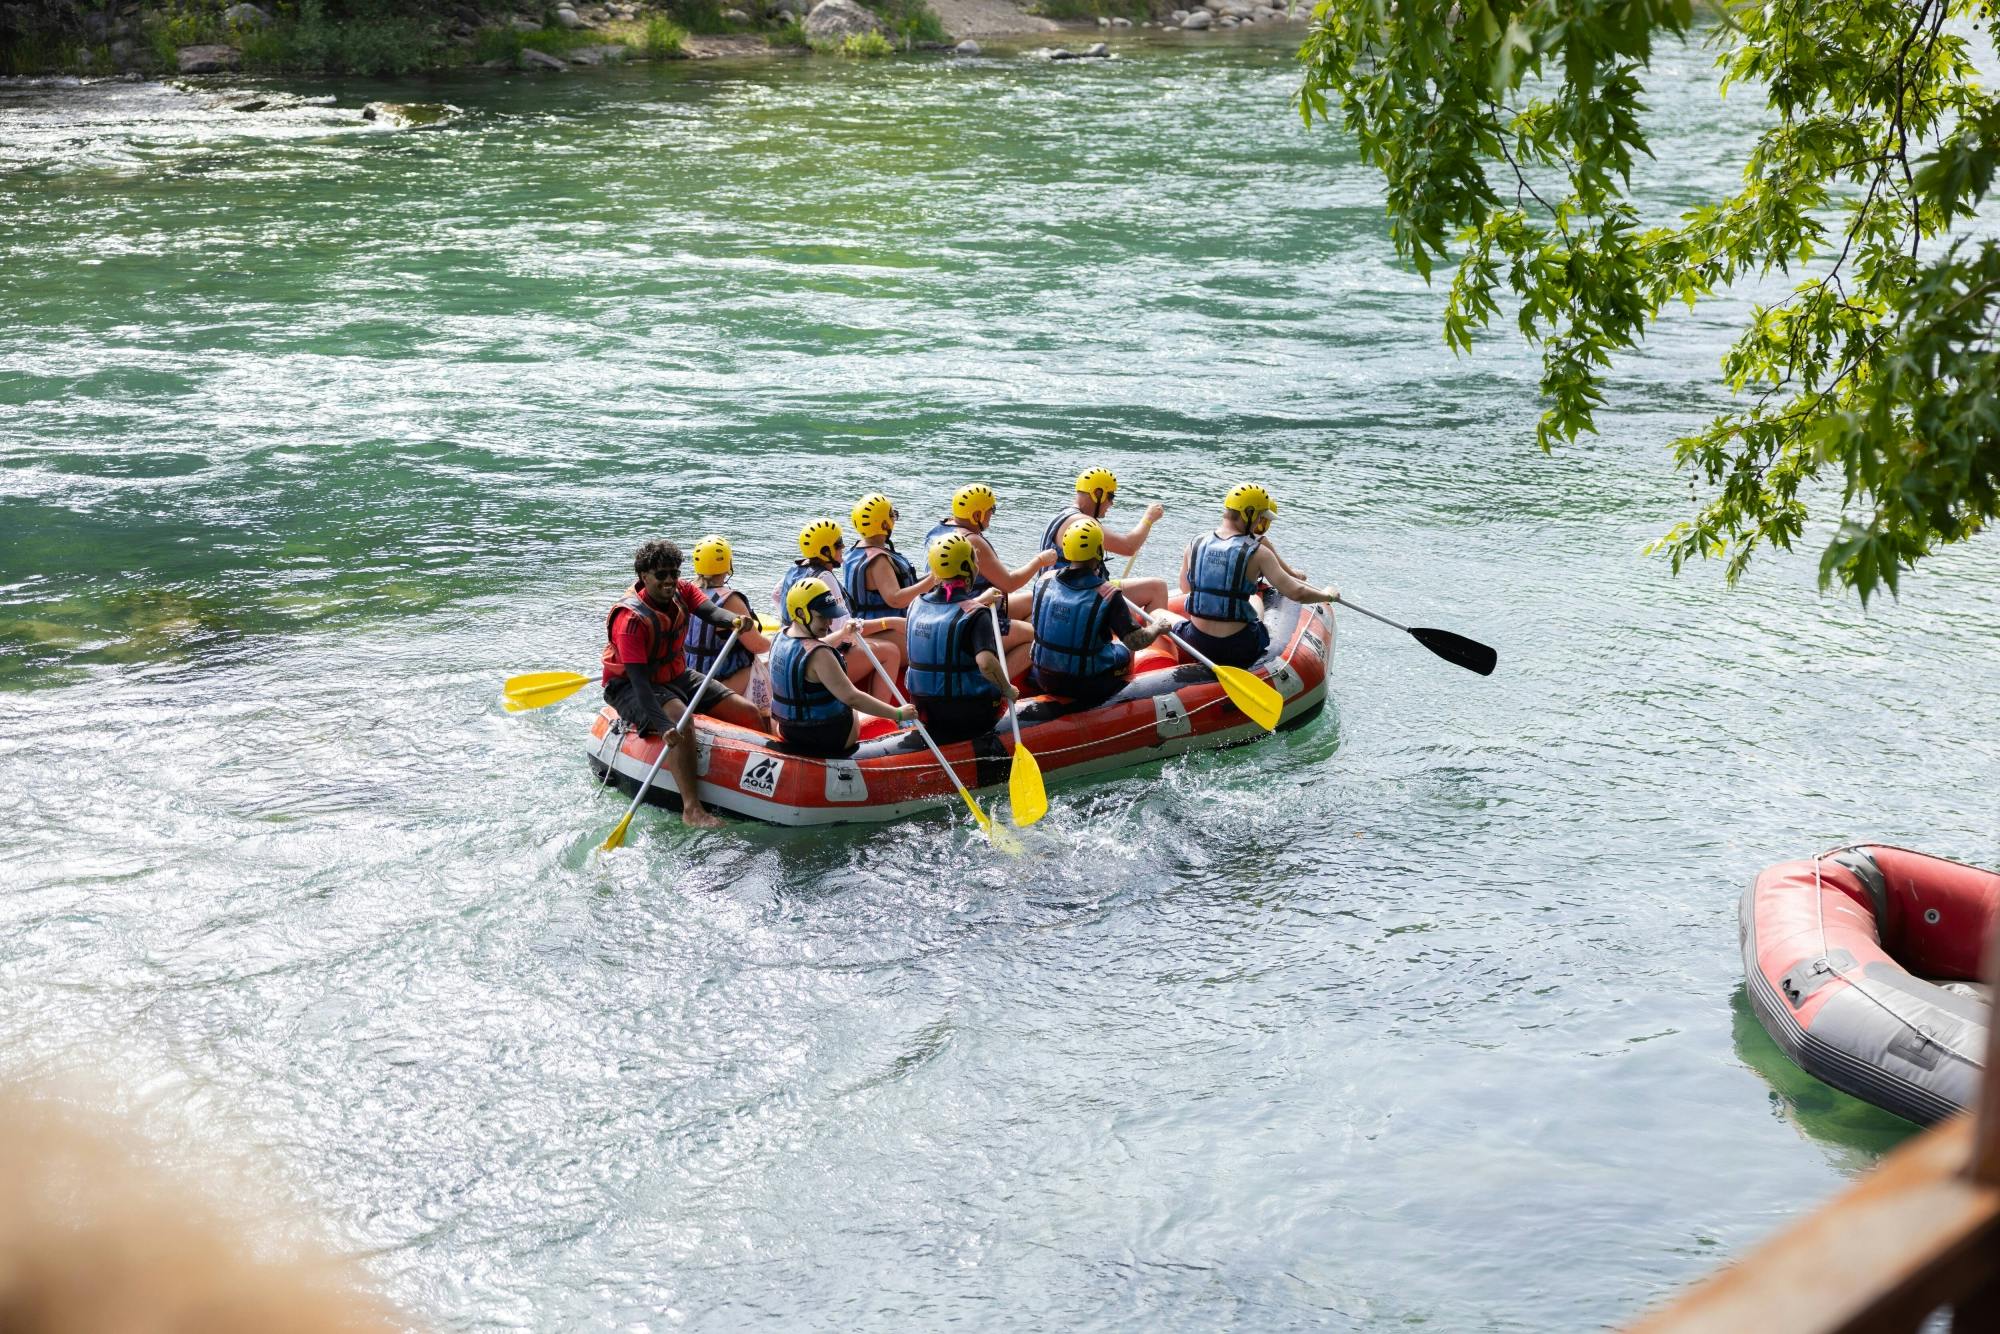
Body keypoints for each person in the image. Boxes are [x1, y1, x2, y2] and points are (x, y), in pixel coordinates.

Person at [601, 539, 761, 829]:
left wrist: (735, 619)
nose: (669, 581)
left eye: (674, 573)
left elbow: (711, 612)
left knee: (748, 712)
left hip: (677, 675)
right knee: (680, 720)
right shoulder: (630, 621)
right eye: (661, 575)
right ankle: (692, 809)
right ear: (644, 577)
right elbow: (638, 682)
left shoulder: (683, 590)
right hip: (631, 688)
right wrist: (664, 726)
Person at [1175, 484, 1339, 668]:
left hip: (1196, 643)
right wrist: (1328, 595)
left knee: (1159, 614)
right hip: (1238, 648)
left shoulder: (1193, 545)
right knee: (1254, 598)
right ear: (1249, 513)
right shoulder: (1259, 553)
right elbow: (1297, 593)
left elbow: (1185, 590)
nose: (1259, 523)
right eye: (1260, 516)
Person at [1029, 518, 1174, 707]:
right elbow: (1136, 641)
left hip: (1042, 675)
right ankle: (1124, 697)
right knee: (1126, 648)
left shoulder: (1044, 581)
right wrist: (1156, 628)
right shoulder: (1107, 594)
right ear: (1098, 551)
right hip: (1083, 683)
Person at [770, 577, 917, 756]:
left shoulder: (780, 637)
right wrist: (897, 713)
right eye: (822, 617)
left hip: (788, 729)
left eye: (830, 616)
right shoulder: (820, 655)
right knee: (852, 706)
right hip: (826, 738)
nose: (829, 623)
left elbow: (806, 646)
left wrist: (843, 633)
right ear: (801, 613)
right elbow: (852, 697)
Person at [774, 518, 903, 705]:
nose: (842, 548)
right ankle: (882, 717)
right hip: (818, 655)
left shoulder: (795, 569)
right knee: (890, 651)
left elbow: (777, 595)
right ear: (826, 551)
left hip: (794, 648)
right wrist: (890, 622)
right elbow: (847, 630)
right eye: (838, 545)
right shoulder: (824, 577)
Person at [923, 482, 1054, 662]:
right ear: (977, 514)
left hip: (946, 611)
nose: (991, 516)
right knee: (1040, 637)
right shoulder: (972, 541)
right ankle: (1000, 685)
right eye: (990, 511)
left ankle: (1010, 654)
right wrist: (1040, 561)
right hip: (973, 620)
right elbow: (1009, 583)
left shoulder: (937, 532)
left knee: (1033, 602)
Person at [906, 533, 1016, 744]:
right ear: (968, 568)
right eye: (975, 560)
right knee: (998, 692)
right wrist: (1007, 689)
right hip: (967, 716)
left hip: (925, 711)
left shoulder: (916, 605)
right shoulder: (976, 615)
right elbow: (986, 663)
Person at [1040, 467, 1172, 614]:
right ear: (1097, 493)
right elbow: (1128, 547)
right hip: (1077, 598)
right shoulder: (1080, 522)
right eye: (1110, 496)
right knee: (1157, 588)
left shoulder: (1063, 515)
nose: (1111, 503)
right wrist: (1148, 519)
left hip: (1062, 592)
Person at [686, 534, 770, 704]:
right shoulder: (730, 600)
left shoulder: (686, 592)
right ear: (728, 565)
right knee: (765, 666)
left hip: (687, 677)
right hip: (714, 681)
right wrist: (778, 643)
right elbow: (757, 646)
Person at [842, 492, 936, 620]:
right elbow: (896, 600)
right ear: (884, 525)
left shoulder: (855, 551)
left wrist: (934, 576)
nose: (894, 519)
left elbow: (908, 586)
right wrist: (934, 579)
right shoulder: (878, 560)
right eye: (892, 515)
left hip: (861, 621)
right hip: (883, 627)